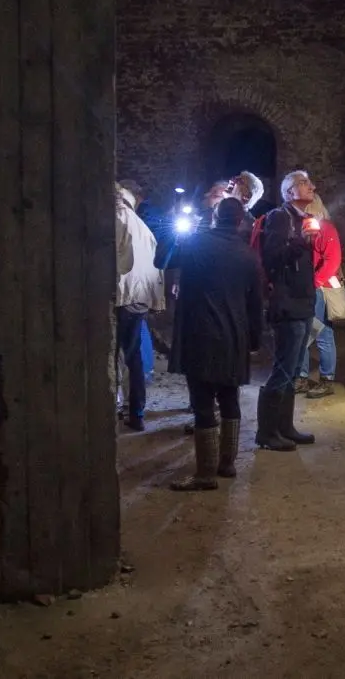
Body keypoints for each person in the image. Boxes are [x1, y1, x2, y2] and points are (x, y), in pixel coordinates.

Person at [163, 197, 263, 490]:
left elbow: (162, 260)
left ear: (214, 216)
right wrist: (254, 339)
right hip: (234, 335)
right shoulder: (248, 255)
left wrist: (179, 231)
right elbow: (255, 303)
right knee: (230, 398)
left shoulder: (196, 244)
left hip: (200, 334)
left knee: (203, 403)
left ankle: (205, 474)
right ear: (240, 220)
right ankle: (227, 464)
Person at [254, 170, 319, 451]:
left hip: (302, 302)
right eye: (305, 183)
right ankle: (266, 433)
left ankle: (285, 427)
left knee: (292, 371)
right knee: (282, 369)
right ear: (290, 191)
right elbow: (272, 258)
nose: (312, 187)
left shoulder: (301, 219)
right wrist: (300, 242)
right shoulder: (280, 217)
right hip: (287, 303)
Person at [116, 183, 166, 431]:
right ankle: (135, 412)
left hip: (118, 298)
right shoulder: (142, 226)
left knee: (111, 356)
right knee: (133, 357)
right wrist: (156, 301)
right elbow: (155, 267)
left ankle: (111, 409)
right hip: (138, 300)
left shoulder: (117, 217)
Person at [295, 195, 342, 399]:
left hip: (317, 288)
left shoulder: (326, 229)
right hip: (306, 286)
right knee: (304, 333)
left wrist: (313, 283)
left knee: (321, 333)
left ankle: (326, 379)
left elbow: (332, 260)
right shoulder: (302, 226)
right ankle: (302, 376)